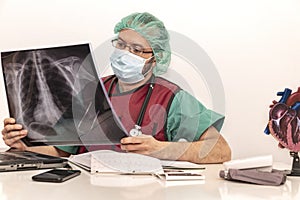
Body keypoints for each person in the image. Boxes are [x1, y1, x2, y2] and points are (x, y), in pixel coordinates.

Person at [1, 12, 231, 164]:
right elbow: (62, 150)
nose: (125, 53)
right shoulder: (91, 90)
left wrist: (161, 149)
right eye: (121, 45)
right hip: (82, 190)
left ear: (156, 58)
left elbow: (221, 150)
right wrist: (24, 146)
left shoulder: (170, 97)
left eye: (137, 49)